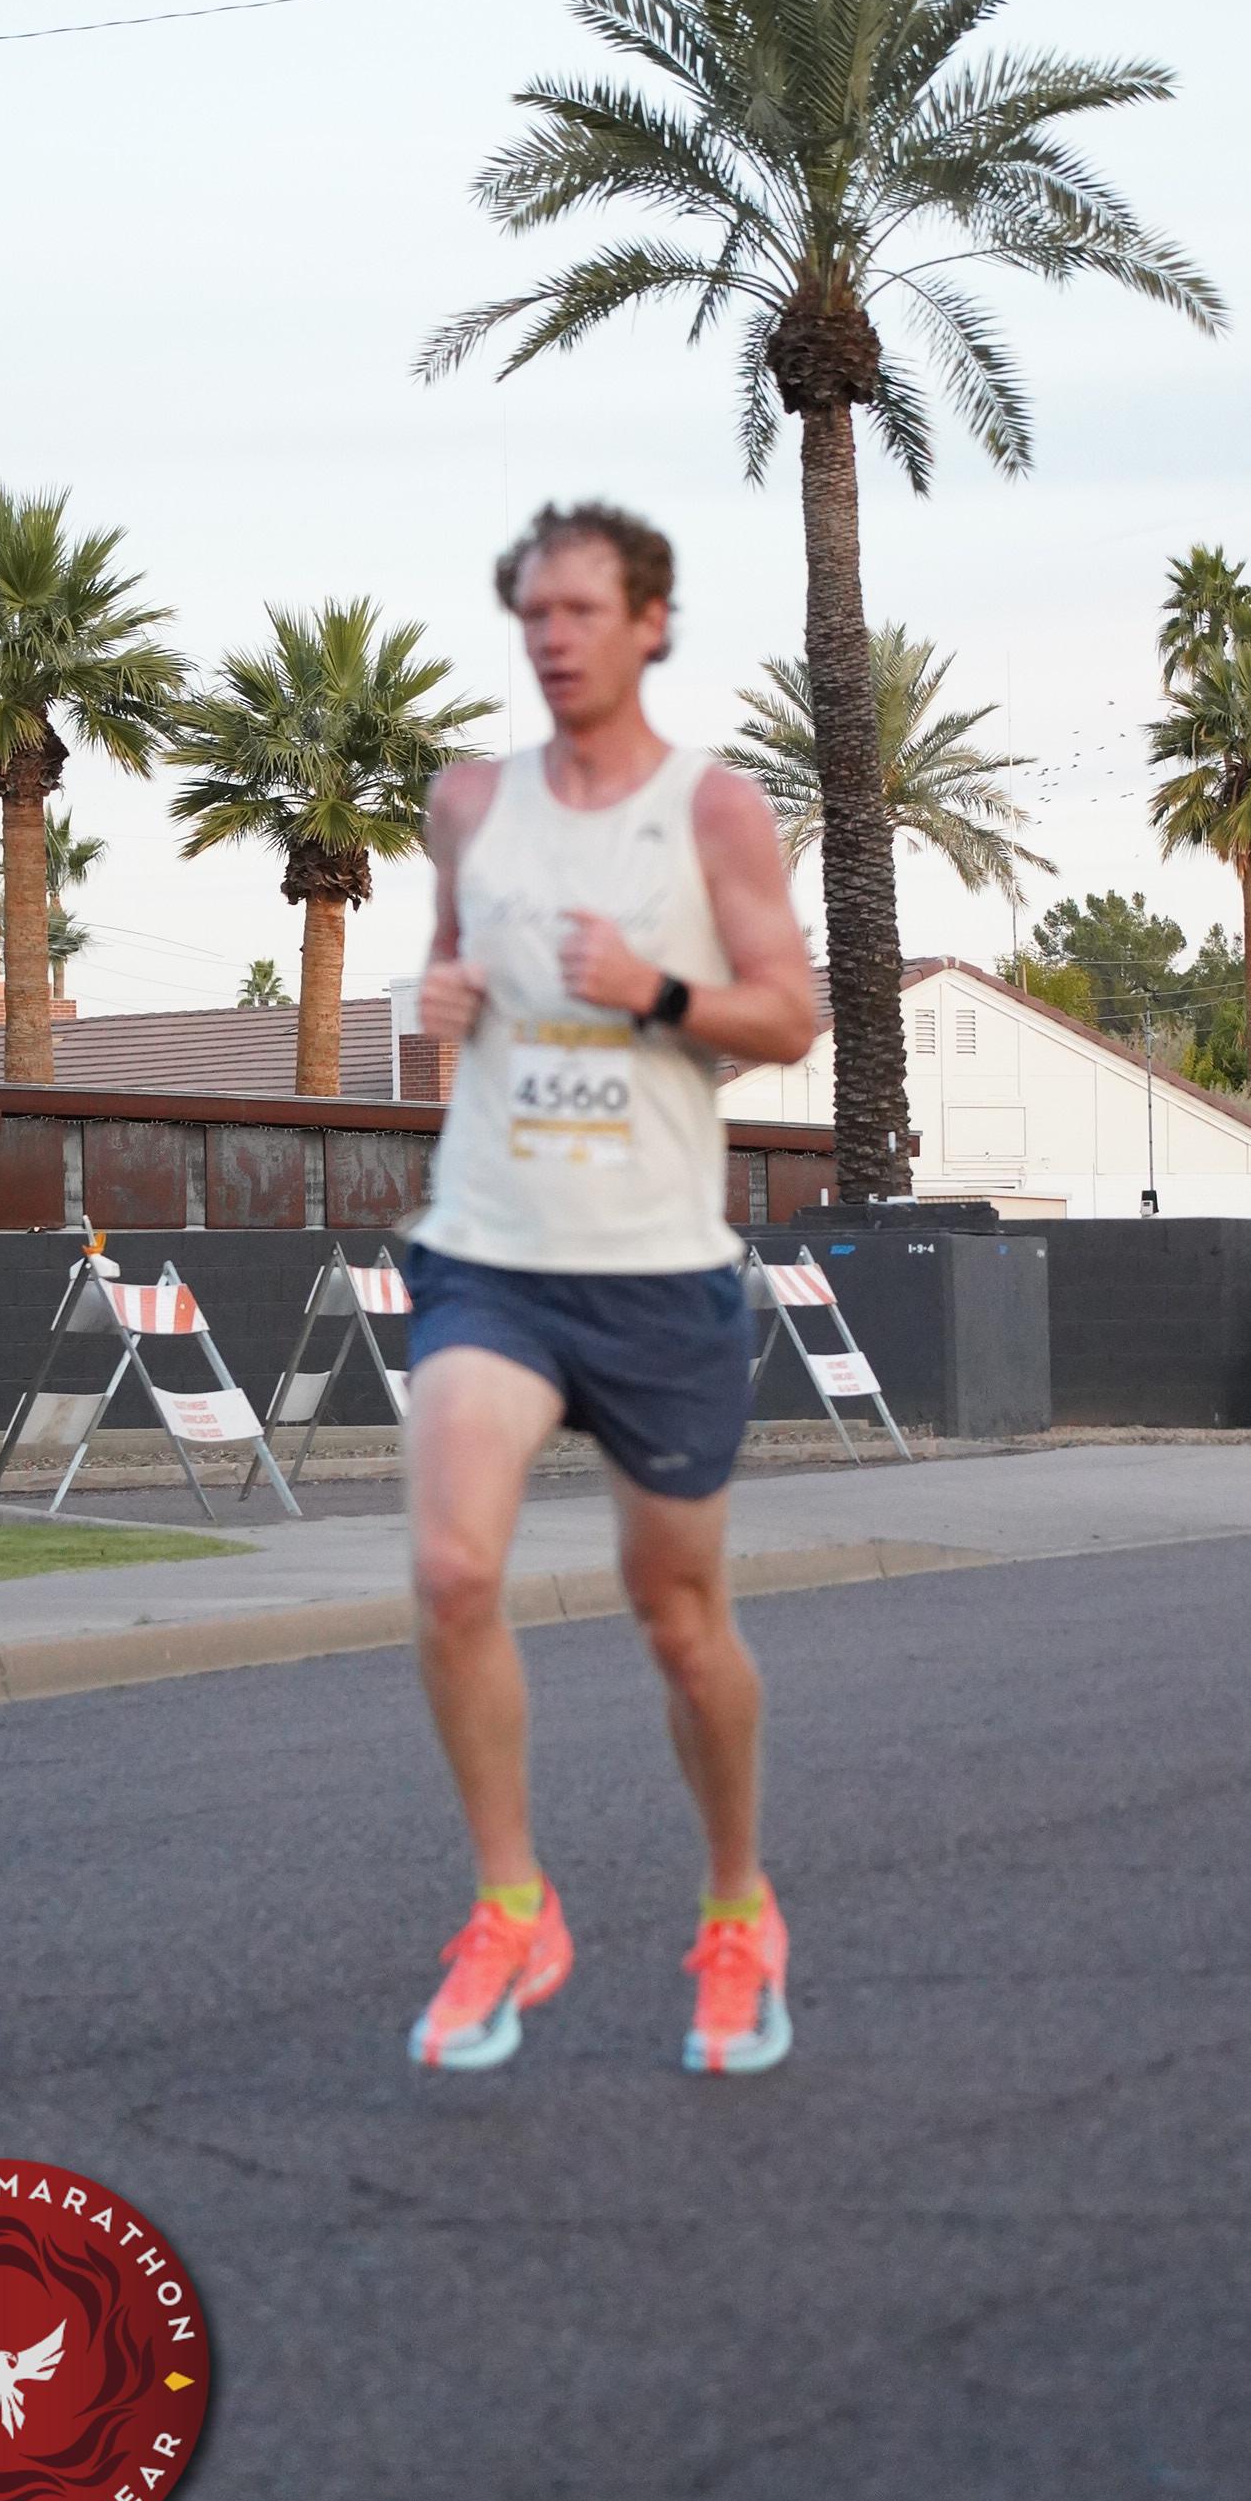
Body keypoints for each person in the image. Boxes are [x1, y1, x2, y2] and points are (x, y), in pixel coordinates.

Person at [402, 500, 818, 2078]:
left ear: (651, 621)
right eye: (533, 613)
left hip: (655, 1273)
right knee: (452, 1570)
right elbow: (453, 967)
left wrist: (652, 990)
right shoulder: (469, 803)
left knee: (679, 1621)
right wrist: (442, 996)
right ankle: (512, 1905)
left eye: (581, 610)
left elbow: (789, 1016)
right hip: (493, 1251)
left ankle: (736, 1908)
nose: (553, 637)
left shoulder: (715, 812)